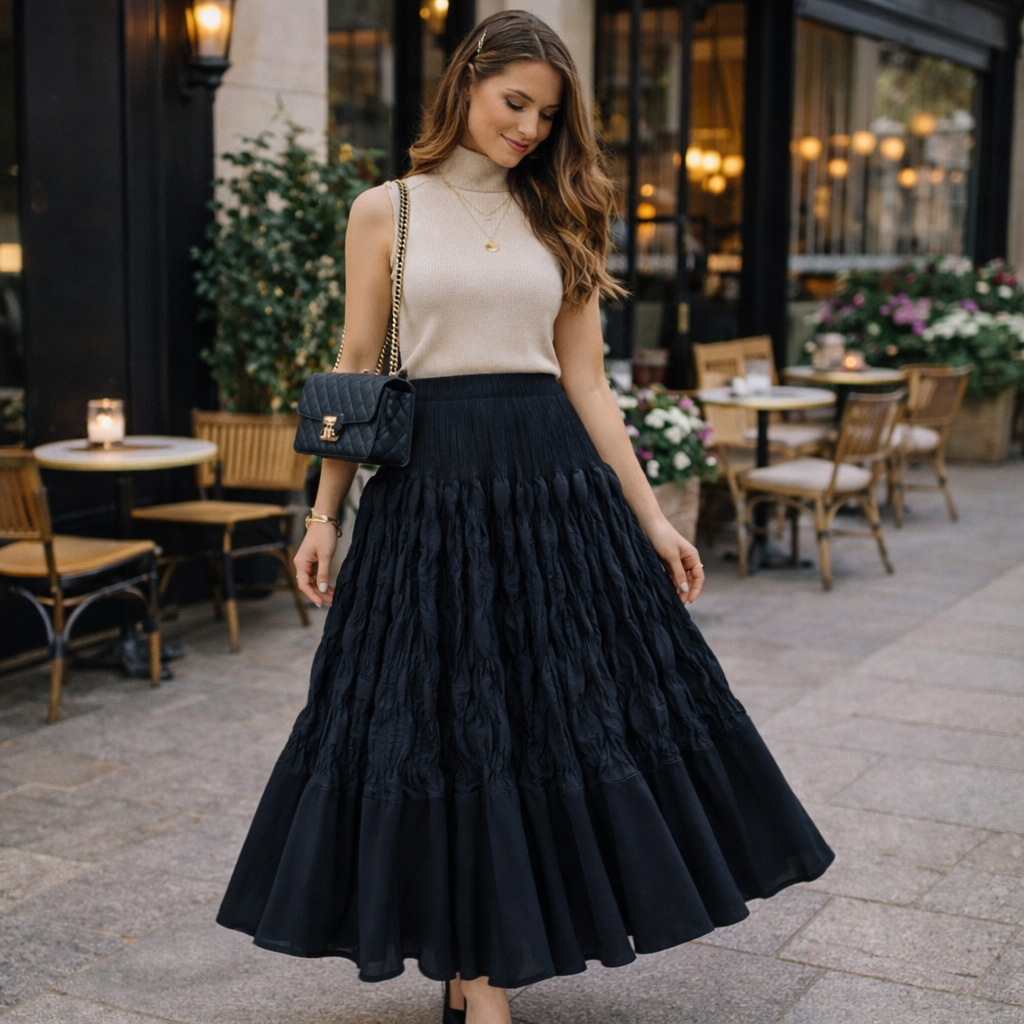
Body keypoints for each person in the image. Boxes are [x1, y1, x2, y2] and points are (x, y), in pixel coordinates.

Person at [216, 11, 833, 1024]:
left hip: (553, 492)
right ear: (465, 81)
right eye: (515, 103)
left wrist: (652, 521)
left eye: (547, 115)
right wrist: (323, 513)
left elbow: (589, 385)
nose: (530, 128)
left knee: (552, 718)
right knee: (447, 726)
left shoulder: (566, 211)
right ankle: (478, 973)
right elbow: (357, 366)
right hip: (429, 496)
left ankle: (490, 959)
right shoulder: (387, 210)